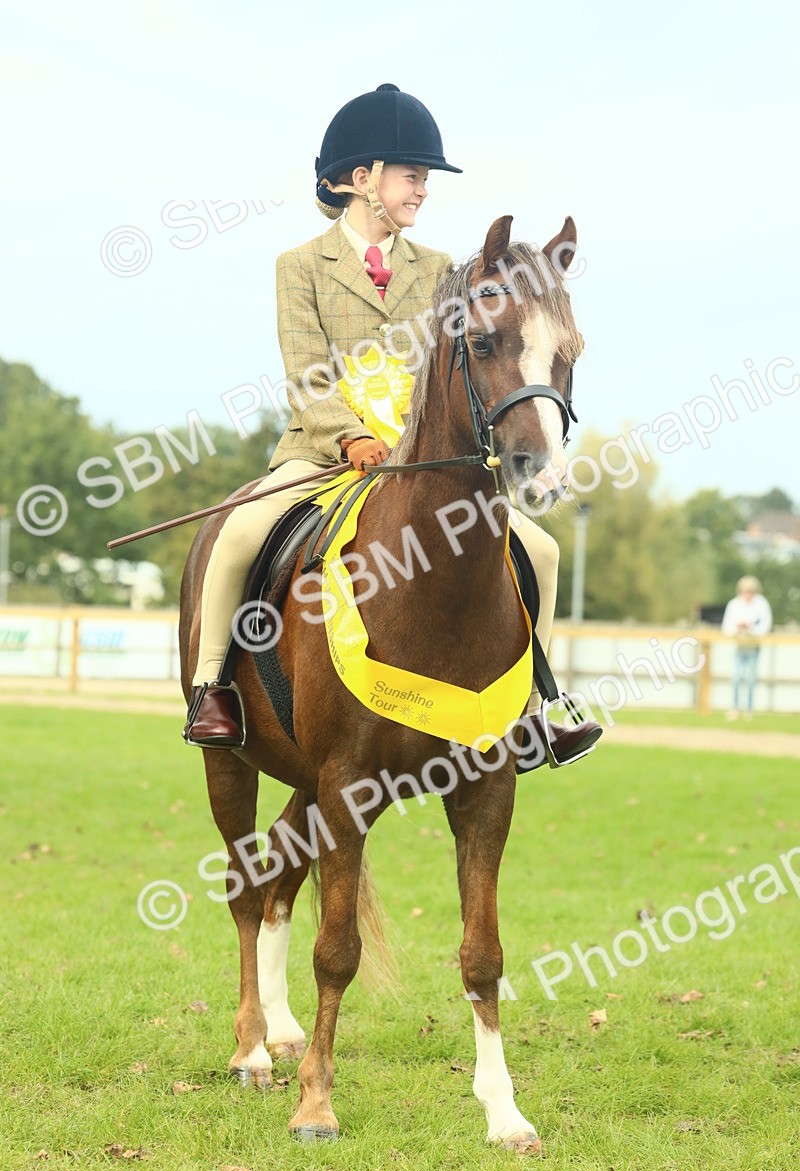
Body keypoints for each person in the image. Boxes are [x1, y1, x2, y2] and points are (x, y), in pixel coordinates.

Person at [183, 84, 601, 768]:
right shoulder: (299, 267)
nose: (423, 189)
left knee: (544, 553)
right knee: (238, 534)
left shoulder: (440, 271)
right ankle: (213, 687)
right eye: (413, 175)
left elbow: (452, 375)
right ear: (361, 179)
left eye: (425, 178)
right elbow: (307, 373)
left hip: (417, 458)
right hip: (323, 452)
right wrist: (348, 436)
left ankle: (535, 706)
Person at [722, 575, 773, 719]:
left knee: (751, 679)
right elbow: (726, 627)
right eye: (745, 590)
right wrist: (738, 628)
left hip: (754, 647)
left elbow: (765, 626)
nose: (748, 593)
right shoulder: (734, 604)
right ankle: (735, 708)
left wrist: (750, 628)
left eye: (751, 590)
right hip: (739, 646)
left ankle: (749, 710)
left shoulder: (762, 604)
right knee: (736, 678)